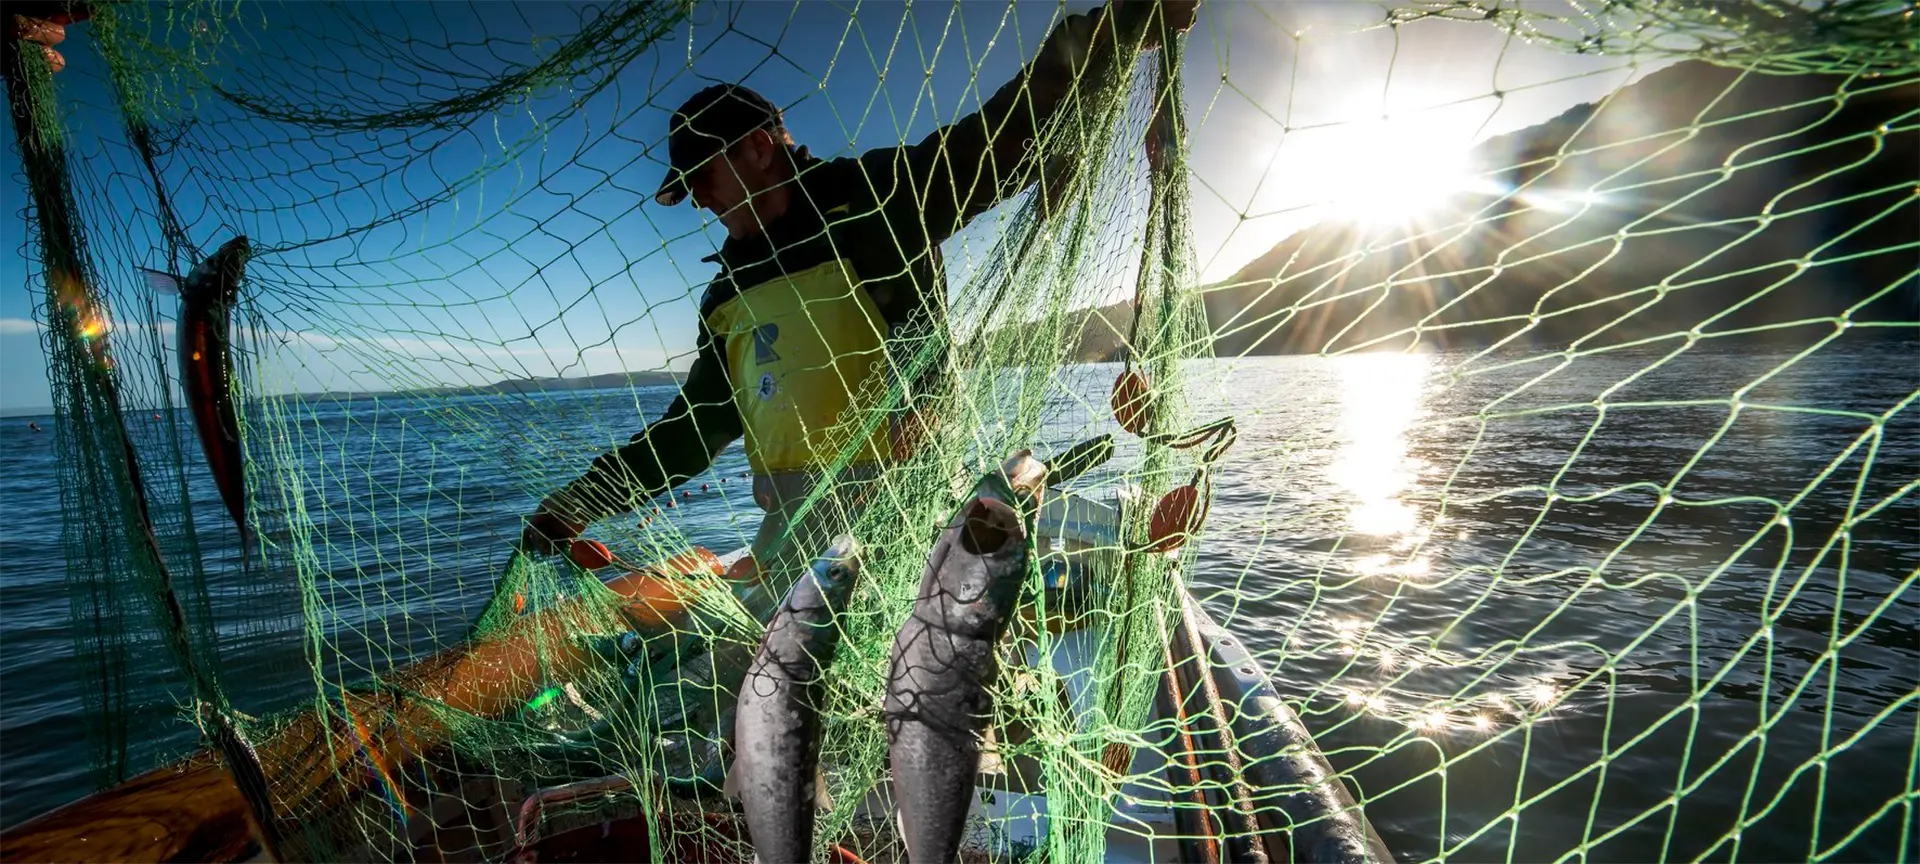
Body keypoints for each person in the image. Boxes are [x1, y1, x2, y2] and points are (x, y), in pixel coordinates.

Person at [523, 2, 1196, 616]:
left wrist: (1104, 32)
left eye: (702, 176)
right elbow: (689, 432)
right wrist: (578, 505)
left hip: (910, 526)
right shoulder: (726, 295)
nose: (699, 198)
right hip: (794, 544)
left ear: (759, 147)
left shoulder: (877, 199)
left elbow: (991, 144)